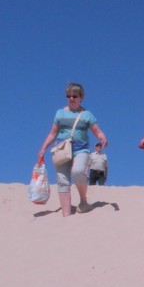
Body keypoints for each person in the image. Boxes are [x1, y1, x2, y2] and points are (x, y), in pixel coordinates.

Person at [38, 82, 108, 216]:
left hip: (81, 149)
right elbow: (53, 133)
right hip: (61, 149)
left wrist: (102, 138)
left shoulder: (87, 114)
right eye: (68, 96)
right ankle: (66, 216)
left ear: (81, 97)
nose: (71, 98)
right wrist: (43, 148)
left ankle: (83, 201)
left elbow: (96, 130)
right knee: (62, 180)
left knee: (78, 171)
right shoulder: (60, 113)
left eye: (74, 96)